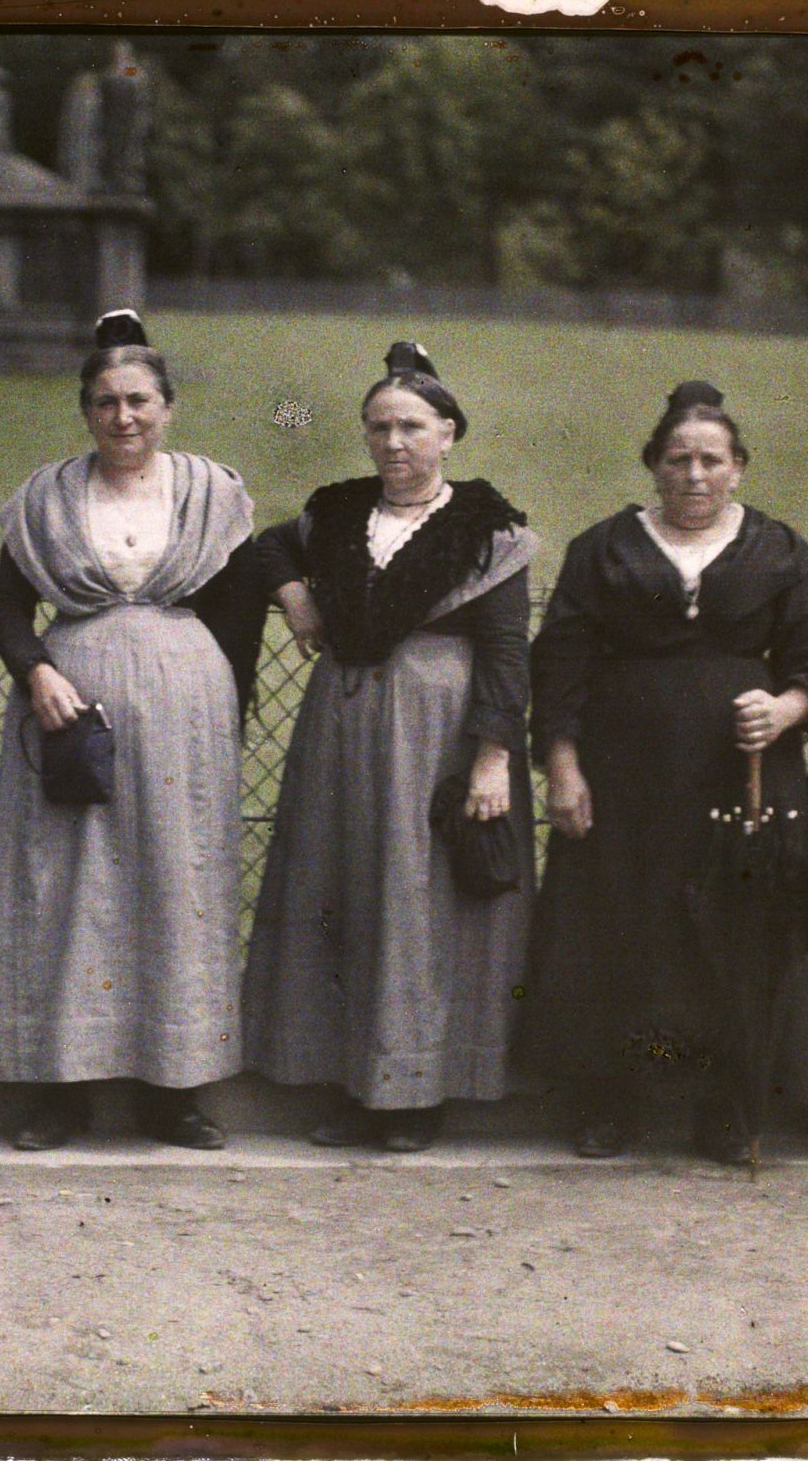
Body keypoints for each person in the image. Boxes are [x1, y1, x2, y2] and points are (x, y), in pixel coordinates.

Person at [522, 381, 808, 1164]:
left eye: (711, 459)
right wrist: (563, 765)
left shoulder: (779, 550)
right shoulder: (604, 548)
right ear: (653, 466)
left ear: (738, 467)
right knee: (622, 930)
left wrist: (788, 707)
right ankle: (612, 1100)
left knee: (733, 936)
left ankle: (725, 1107)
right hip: (625, 778)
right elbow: (560, 663)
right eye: (678, 460)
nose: (695, 475)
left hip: (742, 776)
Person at [242, 342, 537, 1154]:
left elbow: (506, 652)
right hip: (342, 727)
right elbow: (269, 544)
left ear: (448, 433)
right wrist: (295, 594)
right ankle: (352, 1084)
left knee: (418, 903)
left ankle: (415, 1093)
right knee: (345, 890)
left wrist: (492, 757)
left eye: (412, 426)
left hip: (436, 733)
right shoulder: (339, 513)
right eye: (379, 427)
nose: (394, 442)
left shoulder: (486, 530)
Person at [0, 310, 266, 1151]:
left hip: (185, 718)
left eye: (139, 400)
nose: (123, 417)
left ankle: (173, 1093)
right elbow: (6, 608)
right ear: (86, 410)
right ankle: (61, 1092)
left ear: (168, 407)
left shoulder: (211, 492)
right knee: (66, 893)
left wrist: (220, 711)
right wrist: (37, 672)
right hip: (70, 713)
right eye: (105, 402)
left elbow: (240, 607)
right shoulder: (47, 497)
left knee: (176, 889)